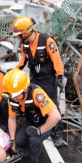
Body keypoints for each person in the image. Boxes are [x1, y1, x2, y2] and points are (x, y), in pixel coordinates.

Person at [12, 16, 65, 147]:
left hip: (48, 80)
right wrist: (14, 72)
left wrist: (59, 77)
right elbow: (23, 60)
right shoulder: (25, 45)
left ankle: (58, 133)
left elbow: (56, 59)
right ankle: (39, 126)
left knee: (53, 105)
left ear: (25, 33)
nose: (18, 38)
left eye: (19, 35)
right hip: (34, 79)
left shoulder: (47, 41)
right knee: (36, 103)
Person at [2, 69, 61, 163]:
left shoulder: (37, 93)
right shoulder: (12, 97)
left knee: (35, 140)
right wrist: (12, 140)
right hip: (32, 120)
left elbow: (56, 116)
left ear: (25, 89)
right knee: (19, 142)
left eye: (15, 95)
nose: (13, 98)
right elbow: (11, 118)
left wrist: (39, 131)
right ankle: (33, 148)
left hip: (46, 121)